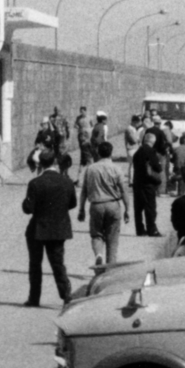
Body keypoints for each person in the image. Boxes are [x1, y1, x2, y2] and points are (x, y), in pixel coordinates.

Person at [22, 149, 76, 306]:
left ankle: (34, 298)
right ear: (54, 162)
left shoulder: (35, 183)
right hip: (58, 228)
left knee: (35, 264)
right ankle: (66, 295)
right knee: (58, 263)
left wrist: (26, 201)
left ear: (40, 163)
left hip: (38, 228)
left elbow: (28, 208)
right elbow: (72, 203)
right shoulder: (66, 182)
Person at [77, 141, 129, 269]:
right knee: (112, 240)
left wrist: (81, 209)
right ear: (111, 153)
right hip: (113, 205)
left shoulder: (90, 169)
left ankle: (98, 255)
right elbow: (123, 191)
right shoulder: (116, 169)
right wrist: (127, 209)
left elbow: (84, 191)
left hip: (96, 205)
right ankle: (110, 269)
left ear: (98, 152)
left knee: (97, 235)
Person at [130, 131, 163, 237]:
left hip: (137, 183)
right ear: (153, 141)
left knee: (138, 208)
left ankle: (140, 229)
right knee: (150, 207)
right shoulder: (151, 152)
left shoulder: (137, 152)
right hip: (148, 184)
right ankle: (152, 229)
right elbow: (158, 167)